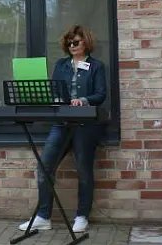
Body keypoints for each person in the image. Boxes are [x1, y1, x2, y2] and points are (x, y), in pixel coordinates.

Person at [19, 24, 107, 234]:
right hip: (61, 123)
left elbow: (101, 94)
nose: (72, 46)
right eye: (69, 43)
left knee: (83, 171)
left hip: (84, 125)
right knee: (44, 166)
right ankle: (43, 216)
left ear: (85, 42)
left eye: (75, 42)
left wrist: (83, 100)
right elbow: (54, 89)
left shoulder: (96, 66)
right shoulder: (61, 65)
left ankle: (82, 216)